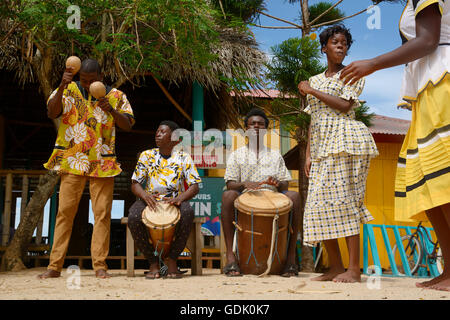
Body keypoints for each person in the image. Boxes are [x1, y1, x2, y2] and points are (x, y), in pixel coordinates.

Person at [340, 0, 450, 291]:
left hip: (443, 82)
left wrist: (373, 63)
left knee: (445, 181)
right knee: (429, 182)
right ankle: (449, 268)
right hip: (428, 87)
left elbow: (428, 40)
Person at [38, 58, 134, 279]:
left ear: (101, 77)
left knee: (102, 215)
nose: (87, 84)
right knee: (64, 213)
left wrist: (111, 110)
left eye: (92, 80)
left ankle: (100, 265)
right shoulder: (69, 90)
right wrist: (62, 85)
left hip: (103, 162)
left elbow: (128, 125)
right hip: (73, 160)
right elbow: (52, 113)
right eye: (84, 79)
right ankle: (54, 266)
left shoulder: (117, 96)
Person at [298, 25, 378, 283]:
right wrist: (309, 154)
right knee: (319, 205)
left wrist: (311, 91)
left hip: (347, 141)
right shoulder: (316, 78)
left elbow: (345, 106)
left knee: (346, 201)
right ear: (324, 48)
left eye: (344, 42)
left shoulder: (352, 75)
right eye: (335, 42)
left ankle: (353, 269)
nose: (341, 46)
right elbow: (315, 120)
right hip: (322, 145)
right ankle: (335, 267)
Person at [221, 108, 301, 277]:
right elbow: (230, 184)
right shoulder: (237, 155)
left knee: (294, 195)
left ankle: (291, 258)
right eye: (252, 124)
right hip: (245, 197)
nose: (256, 127)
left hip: (273, 197)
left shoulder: (275, 155)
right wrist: (244, 183)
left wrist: (277, 183)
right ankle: (230, 257)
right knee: (228, 196)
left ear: (266, 130)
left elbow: (285, 184)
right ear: (246, 130)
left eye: (261, 124)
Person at [127, 120, 201, 279]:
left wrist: (180, 198)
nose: (157, 135)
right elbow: (135, 184)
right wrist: (145, 195)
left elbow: (195, 186)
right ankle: (153, 262)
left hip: (175, 201)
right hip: (150, 199)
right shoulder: (147, 155)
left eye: (162, 132)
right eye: (157, 132)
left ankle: (172, 260)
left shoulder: (183, 157)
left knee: (188, 212)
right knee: (133, 216)